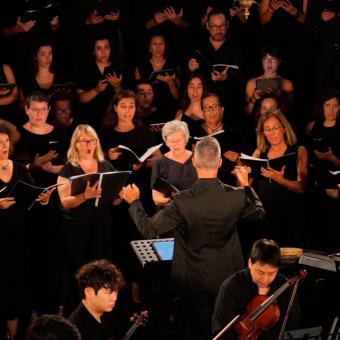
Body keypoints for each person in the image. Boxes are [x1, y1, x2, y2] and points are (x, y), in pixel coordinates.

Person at [121, 136, 266, 340]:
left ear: (195, 162)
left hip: (191, 281)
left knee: (196, 333)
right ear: (220, 162)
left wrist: (134, 202)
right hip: (227, 277)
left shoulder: (181, 201)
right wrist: (245, 185)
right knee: (225, 332)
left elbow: (149, 229)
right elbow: (259, 214)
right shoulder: (237, 195)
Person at [57, 124, 118, 314]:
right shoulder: (68, 169)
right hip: (78, 231)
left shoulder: (106, 166)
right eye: (84, 141)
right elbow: (65, 202)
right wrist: (85, 196)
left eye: (92, 140)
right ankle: (76, 316)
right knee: (79, 274)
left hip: (101, 228)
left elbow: (113, 200)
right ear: (76, 144)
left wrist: (120, 196)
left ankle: (102, 314)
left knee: (102, 273)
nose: (88, 145)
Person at [0, 119, 52, 340]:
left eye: (5, 142)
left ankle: (18, 331)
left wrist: (43, 199)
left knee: (19, 283)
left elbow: (32, 198)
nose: (2, 146)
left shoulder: (20, 168)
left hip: (20, 236)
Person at [212, 238, 300, 340]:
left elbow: (292, 329)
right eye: (260, 272)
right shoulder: (231, 287)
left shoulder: (285, 287)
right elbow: (220, 331)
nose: (265, 279)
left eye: (271, 273)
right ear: (250, 263)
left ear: (277, 269)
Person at [251, 109, 308, 247]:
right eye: (267, 129)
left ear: (283, 128)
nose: (272, 133)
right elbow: (244, 184)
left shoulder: (298, 150)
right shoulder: (259, 152)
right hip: (268, 219)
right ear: (263, 133)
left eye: (275, 128)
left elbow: (302, 188)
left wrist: (280, 179)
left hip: (292, 218)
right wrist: (242, 170)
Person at [187, 8, 244, 124]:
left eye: (222, 26)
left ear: (227, 25)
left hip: (230, 105)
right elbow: (188, 78)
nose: (218, 30)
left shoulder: (236, 47)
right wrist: (190, 68)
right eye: (214, 27)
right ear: (207, 26)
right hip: (202, 106)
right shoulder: (198, 47)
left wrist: (226, 78)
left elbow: (243, 77)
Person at [192, 93, 247, 185]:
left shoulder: (235, 133)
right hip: (201, 185)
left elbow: (249, 164)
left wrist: (238, 158)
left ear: (222, 110)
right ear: (202, 112)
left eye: (214, 106)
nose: (211, 110)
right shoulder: (194, 132)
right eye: (206, 107)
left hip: (229, 186)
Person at [68, 259, 125, 340]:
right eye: (108, 292)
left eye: (116, 291)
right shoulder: (74, 332)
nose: (114, 298)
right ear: (89, 292)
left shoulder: (106, 315)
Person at [151, 120, 197, 206]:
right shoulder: (160, 163)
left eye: (179, 140)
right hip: (173, 211)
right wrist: (174, 202)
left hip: (197, 208)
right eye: (172, 141)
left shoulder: (198, 158)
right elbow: (156, 198)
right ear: (166, 142)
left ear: (186, 139)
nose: (176, 144)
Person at [245, 45, 293, 116]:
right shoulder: (252, 83)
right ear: (262, 62)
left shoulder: (287, 84)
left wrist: (280, 98)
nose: (269, 63)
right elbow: (247, 113)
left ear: (278, 62)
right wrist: (253, 99)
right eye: (266, 59)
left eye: (273, 59)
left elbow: (289, 112)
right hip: (257, 123)